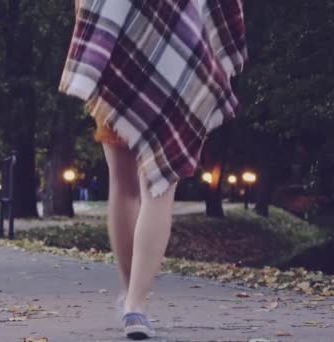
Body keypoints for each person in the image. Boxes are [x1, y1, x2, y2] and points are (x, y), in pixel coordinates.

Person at [60, 0, 247, 340]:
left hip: (116, 56)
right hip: (176, 65)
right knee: (157, 188)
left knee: (124, 184)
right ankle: (136, 304)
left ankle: (129, 297)